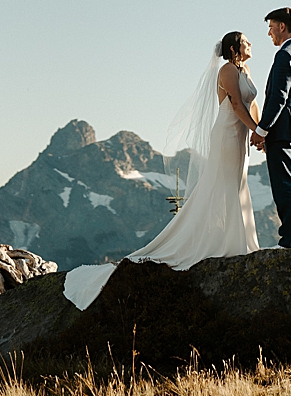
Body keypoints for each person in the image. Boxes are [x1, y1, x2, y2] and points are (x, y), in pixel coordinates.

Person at [63, 31, 262, 310]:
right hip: (228, 134)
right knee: (224, 184)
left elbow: (252, 104)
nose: (251, 44)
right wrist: (256, 129)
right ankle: (227, 242)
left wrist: (260, 132)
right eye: (246, 41)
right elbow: (237, 104)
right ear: (234, 48)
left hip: (242, 136)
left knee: (238, 184)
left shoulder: (246, 69)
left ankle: (239, 239)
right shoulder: (227, 70)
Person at [250, 8, 291, 249]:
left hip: (282, 131)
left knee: (284, 186)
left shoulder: (285, 55)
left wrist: (262, 130)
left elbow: (278, 97)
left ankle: (290, 241)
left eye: (271, 26)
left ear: (282, 27)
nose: (269, 32)